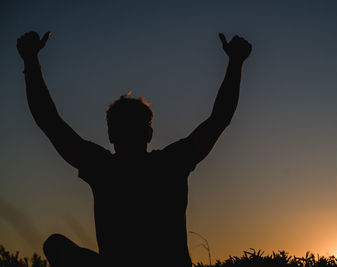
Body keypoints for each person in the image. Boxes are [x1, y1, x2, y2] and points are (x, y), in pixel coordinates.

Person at [17, 31, 252, 267]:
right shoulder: (172, 162)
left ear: (110, 134)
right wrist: (235, 62)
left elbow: (48, 120)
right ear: (149, 133)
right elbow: (220, 118)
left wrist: (30, 60)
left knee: (55, 244)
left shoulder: (102, 167)